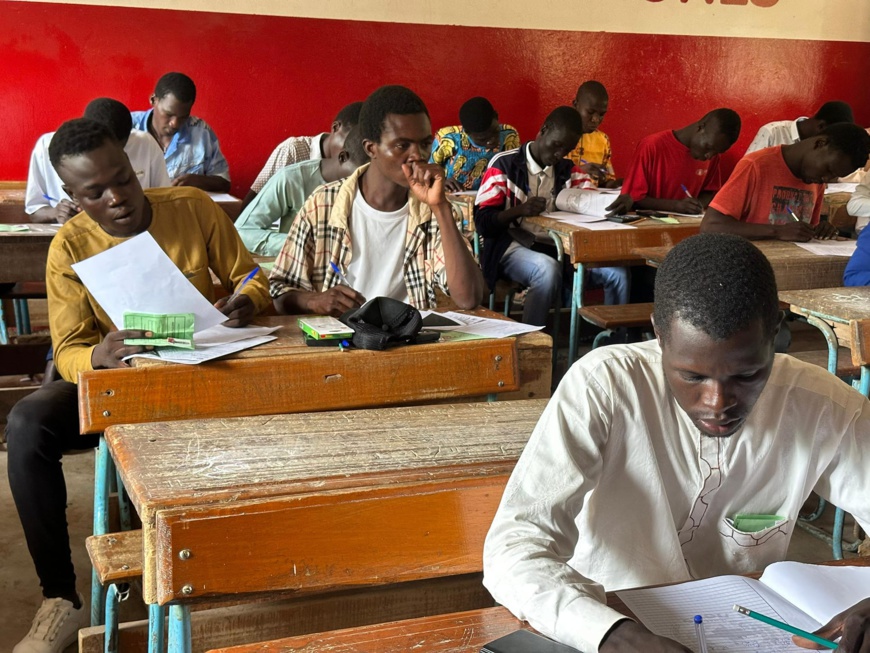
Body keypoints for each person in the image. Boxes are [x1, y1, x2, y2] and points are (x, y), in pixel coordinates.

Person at [483, 232, 870, 653]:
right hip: (607, 620)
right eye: (692, 376)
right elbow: (513, 549)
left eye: (746, 376)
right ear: (659, 334)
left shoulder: (824, 406)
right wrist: (612, 635)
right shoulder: (604, 387)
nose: (717, 403)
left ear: (775, 332)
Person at [5, 118, 270, 653]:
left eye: (123, 179)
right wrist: (97, 357)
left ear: (136, 167)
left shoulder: (192, 208)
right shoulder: (70, 248)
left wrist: (248, 299)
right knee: (28, 423)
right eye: (94, 193)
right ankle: (61, 596)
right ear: (72, 197)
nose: (118, 198)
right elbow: (69, 348)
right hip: (123, 385)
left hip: (206, 371)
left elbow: (249, 275)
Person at [269, 85, 484, 316]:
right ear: (371, 148)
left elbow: (468, 298)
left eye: (424, 144)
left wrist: (440, 207)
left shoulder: (433, 210)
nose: (417, 156)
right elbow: (279, 294)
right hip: (342, 344)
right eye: (402, 145)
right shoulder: (323, 204)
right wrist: (314, 301)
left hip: (409, 343)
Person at [474, 106, 629, 326]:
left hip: (558, 249)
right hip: (509, 247)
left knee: (618, 274)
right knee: (546, 270)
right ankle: (532, 344)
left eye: (566, 149)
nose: (559, 154)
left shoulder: (568, 170)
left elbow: (593, 200)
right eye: (557, 145)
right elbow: (483, 223)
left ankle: (613, 343)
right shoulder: (504, 165)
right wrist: (518, 210)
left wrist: (615, 200)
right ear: (543, 130)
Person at [702, 123, 870, 242]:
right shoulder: (756, 165)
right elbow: (711, 225)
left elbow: (803, 229)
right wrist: (778, 231)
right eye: (828, 170)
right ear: (820, 144)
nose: (825, 180)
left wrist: (818, 229)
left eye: (833, 177)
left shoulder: (816, 179)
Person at [25, 97, 170, 224]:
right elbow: (34, 211)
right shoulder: (47, 147)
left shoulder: (145, 144)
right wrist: (56, 212)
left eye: (124, 180)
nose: (115, 198)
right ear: (71, 193)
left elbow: (164, 202)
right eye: (95, 194)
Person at [235, 127, 368, 256]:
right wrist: (304, 244)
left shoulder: (377, 187)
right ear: (343, 157)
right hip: (297, 268)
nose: (364, 184)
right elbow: (242, 232)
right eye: (360, 174)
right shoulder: (292, 178)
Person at [242, 102, 363, 210]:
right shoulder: (293, 151)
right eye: (348, 143)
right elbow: (251, 205)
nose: (353, 151)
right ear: (335, 128)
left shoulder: (357, 163)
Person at [620, 109, 741, 215]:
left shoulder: (713, 157)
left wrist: (697, 204)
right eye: (708, 147)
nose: (710, 156)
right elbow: (632, 199)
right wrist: (675, 206)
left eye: (717, 152)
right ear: (700, 128)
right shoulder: (652, 146)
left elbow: (709, 192)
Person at [131, 71, 231, 192]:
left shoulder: (201, 132)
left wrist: (199, 181)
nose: (175, 124)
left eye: (183, 117)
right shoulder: (127, 128)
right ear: (153, 100)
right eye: (168, 114)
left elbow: (225, 183)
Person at [429, 96, 519, 192]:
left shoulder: (509, 135)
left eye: (495, 132)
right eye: (482, 139)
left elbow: (515, 172)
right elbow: (428, 171)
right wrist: (442, 181)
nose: (491, 141)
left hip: (491, 198)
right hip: (453, 197)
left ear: (496, 117)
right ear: (467, 132)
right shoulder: (447, 138)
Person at [745, 101, 854, 155]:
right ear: (821, 126)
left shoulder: (821, 145)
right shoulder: (773, 133)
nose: (826, 144)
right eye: (829, 139)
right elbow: (746, 171)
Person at [566, 80, 620, 188]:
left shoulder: (602, 140)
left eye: (601, 114)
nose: (596, 119)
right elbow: (548, 175)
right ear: (575, 105)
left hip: (592, 200)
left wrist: (620, 184)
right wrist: (579, 171)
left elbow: (606, 181)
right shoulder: (560, 134)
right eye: (590, 112)